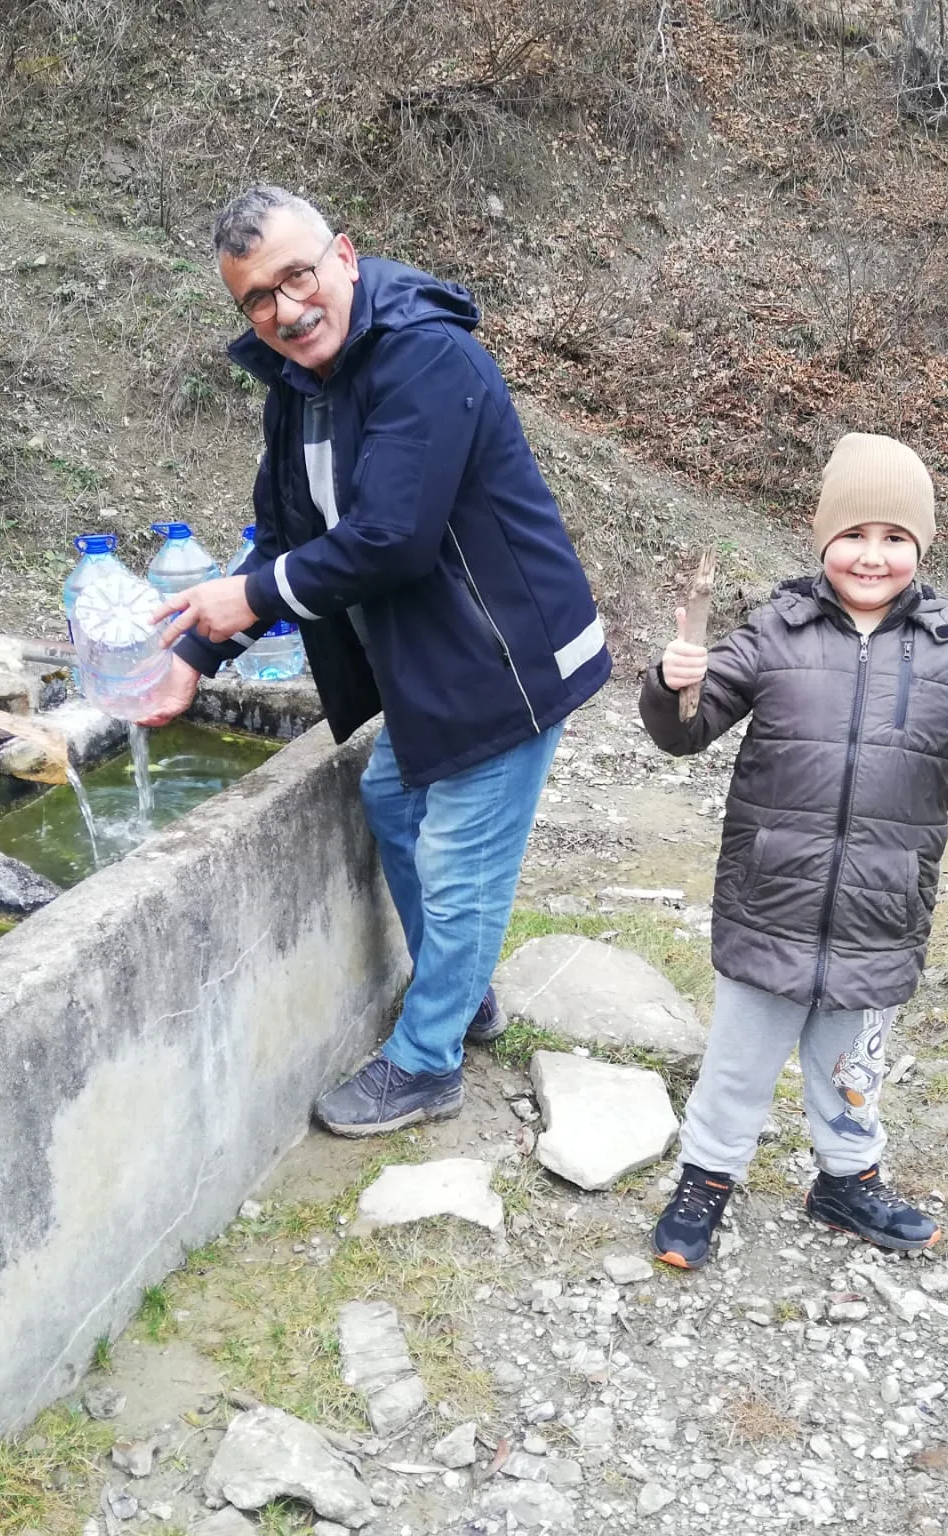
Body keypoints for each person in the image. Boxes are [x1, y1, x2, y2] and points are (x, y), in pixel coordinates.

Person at [142, 186, 611, 1136]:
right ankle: (462, 990)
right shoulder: (300, 389)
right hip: (437, 660)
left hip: (504, 656)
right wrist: (196, 649)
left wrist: (255, 599)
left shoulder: (425, 355)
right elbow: (279, 535)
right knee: (394, 801)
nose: (285, 310)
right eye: (257, 301)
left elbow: (392, 538)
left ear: (344, 257)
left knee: (459, 855)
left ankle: (427, 1059)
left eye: (297, 277)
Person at [638, 433, 948, 1267]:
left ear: (921, 547)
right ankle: (706, 1179)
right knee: (737, 1062)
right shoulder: (776, 630)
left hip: (881, 910)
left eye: (895, 538)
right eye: (854, 535)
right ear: (822, 541)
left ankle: (845, 1181)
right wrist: (673, 686)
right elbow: (685, 733)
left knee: (853, 1066)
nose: (872, 556)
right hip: (767, 901)